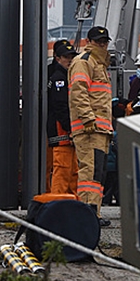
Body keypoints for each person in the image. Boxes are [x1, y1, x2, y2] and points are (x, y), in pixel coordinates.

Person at [68, 26, 113, 222]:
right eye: (98, 41)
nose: (102, 45)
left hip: (99, 128)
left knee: (97, 173)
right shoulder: (84, 62)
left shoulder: (98, 64)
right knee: (90, 171)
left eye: (104, 42)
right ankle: (88, 214)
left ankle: (93, 212)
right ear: (89, 42)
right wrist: (87, 118)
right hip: (90, 128)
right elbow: (78, 92)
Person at [47, 39, 78, 195]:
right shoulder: (59, 78)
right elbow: (60, 106)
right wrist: (70, 127)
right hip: (62, 133)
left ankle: (69, 202)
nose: (70, 60)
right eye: (66, 57)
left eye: (72, 57)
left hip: (66, 132)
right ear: (58, 58)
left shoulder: (62, 75)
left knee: (71, 171)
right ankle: (58, 201)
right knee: (63, 169)